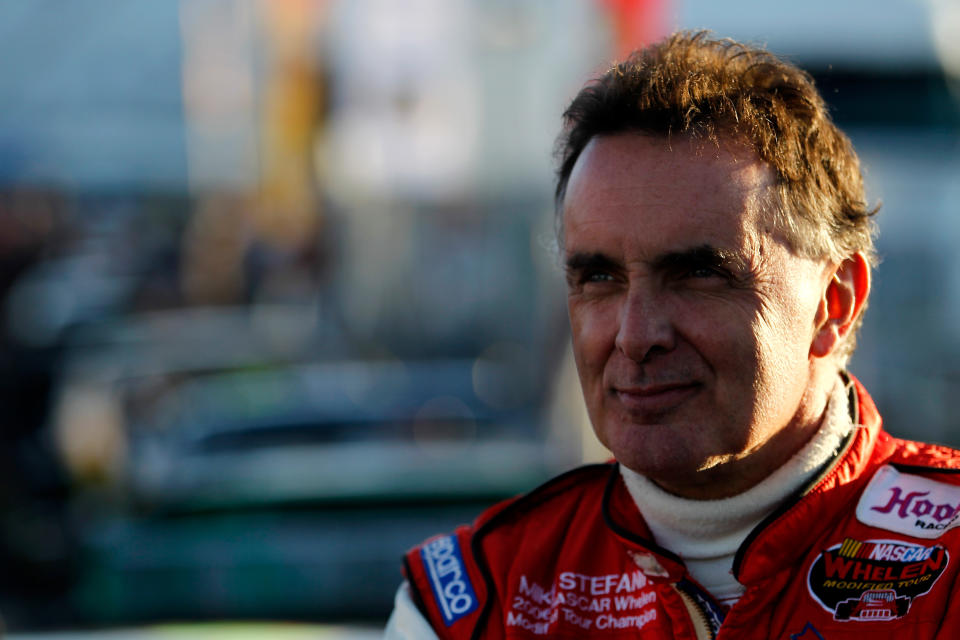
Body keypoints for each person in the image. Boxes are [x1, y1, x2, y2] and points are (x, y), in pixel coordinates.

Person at [384, 31, 960, 639]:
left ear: (833, 301)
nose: (635, 336)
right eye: (599, 277)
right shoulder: (480, 599)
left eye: (698, 274)